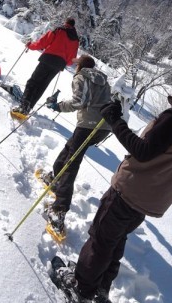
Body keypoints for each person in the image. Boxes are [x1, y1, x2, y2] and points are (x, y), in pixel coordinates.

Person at [54, 63, 172, 303]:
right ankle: (100, 288)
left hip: (129, 190)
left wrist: (115, 119)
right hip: (151, 200)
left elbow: (142, 150)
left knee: (101, 239)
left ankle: (80, 287)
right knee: (115, 240)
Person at [39, 55, 112, 236]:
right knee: (70, 149)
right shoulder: (103, 80)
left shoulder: (81, 77)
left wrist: (58, 106)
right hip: (103, 127)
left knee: (72, 163)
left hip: (88, 125)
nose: (74, 67)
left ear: (80, 66)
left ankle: (59, 211)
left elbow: (80, 101)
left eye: (76, 64)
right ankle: (55, 178)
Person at [11, 17, 79, 118]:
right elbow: (71, 60)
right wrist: (63, 61)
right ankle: (28, 108)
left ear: (65, 23)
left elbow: (42, 43)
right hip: (58, 65)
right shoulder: (76, 40)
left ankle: (23, 106)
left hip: (47, 59)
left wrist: (30, 46)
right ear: (73, 26)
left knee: (33, 82)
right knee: (42, 86)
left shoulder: (58, 30)